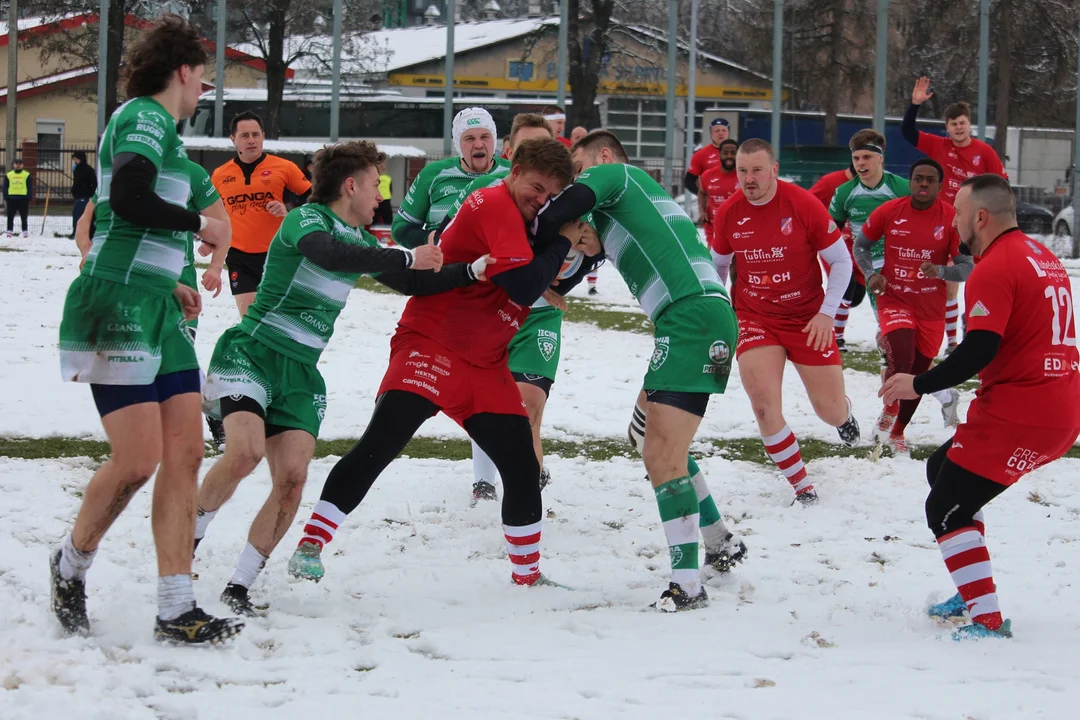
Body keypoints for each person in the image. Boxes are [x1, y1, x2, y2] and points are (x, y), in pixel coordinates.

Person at [196, 141, 487, 615]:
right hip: (253, 353)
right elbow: (328, 255)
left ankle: (240, 586)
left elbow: (414, 282)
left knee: (292, 480)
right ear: (350, 185)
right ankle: (188, 538)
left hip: (301, 374)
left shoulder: (365, 243)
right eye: (376, 185)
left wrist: (471, 272)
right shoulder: (306, 220)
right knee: (245, 453)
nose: (380, 197)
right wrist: (407, 257)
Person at [287, 138, 587, 588]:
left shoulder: (526, 215)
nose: (540, 200)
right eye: (536, 187)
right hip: (433, 342)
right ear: (516, 168)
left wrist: (563, 252)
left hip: (484, 360)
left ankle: (528, 577)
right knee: (382, 442)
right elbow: (526, 286)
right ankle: (310, 543)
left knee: (521, 463)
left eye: (550, 195)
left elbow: (540, 275)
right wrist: (562, 244)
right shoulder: (496, 203)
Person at [53, 14, 241, 645]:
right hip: (116, 307)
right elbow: (130, 199)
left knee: (186, 452)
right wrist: (198, 227)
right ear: (183, 71)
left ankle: (174, 606)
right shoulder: (143, 116)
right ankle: (70, 562)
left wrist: (173, 277)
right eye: (203, 79)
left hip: (158, 306)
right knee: (138, 459)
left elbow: (129, 221)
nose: (203, 92)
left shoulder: (168, 137)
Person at [528, 130, 744, 611]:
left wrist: (527, 224)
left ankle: (687, 586)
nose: (575, 180)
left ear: (603, 157)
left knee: (661, 456)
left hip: (691, 318)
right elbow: (575, 263)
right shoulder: (626, 207)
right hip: (689, 317)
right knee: (645, 435)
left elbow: (561, 211)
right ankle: (720, 542)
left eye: (578, 167)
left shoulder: (616, 176)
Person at [881, 174, 1080, 640]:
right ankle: (973, 591)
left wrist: (919, 383)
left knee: (946, 508)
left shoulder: (993, 266)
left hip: (1023, 412)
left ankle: (987, 622)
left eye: (959, 214)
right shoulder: (1041, 256)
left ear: (981, 218)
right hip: (1054, 405)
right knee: (942, 469)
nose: (954, 222)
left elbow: (978, 350)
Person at [442, 113, 598, 498]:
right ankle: (489, 480)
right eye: (527, 149)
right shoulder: (485, 192)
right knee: (491, 406)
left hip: (537, 319)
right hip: (489, 314)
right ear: (512, 154)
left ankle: (523, 490)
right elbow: (450, 237)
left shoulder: (566, 197)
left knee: (526, 406)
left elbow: (593, 250)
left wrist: (566, 276)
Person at [714, 139, 861, 505]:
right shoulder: (729, 212)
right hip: (755, 317)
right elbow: (717, 266)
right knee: (763, 405)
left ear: (775, 170)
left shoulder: (802, 204)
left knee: (828, 411)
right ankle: (802, 486)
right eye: (742, 171)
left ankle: (843, 413)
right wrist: (716, 308)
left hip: (808, 318)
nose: (748, 179)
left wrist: (828, 314)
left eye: (757, 170)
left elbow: (841, 263)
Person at [854, 158, 971, 457]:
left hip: (930, 309)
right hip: (894, 298)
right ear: (910, 181)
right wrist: (871, 274)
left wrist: (941, 272)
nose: (923, 183)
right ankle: (889, 410)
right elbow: (861, 245)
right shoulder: (890, 211)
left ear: (939, 186)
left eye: (930, 180)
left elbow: (967, 267)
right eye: (918, 178)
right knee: (902, 358)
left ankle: (897, 432)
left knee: (918, 375)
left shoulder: (950, 219)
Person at [902, 77, 1008, 353]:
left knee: (979, 283)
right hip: (948, 226)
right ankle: (951, 343)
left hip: (979, 230)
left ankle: (972, 329)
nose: (958, 128)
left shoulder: (984, 152)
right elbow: (907, 133)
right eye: (952, 124)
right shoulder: (940, 147)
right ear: (947, 128)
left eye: (962, 123)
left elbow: (1001, 187)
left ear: (968, 124)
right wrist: (914, 105)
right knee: (950, 284)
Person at [212, 111, 312, 317]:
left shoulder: (284, 168)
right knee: (250, 319)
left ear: (263, 136)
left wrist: (289, 210)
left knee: (278, 318)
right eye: (244, 135)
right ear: (233, 140)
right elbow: (213, 213)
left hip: (278, 253)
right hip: (240, 256)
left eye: (256, 135)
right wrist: (208, 240)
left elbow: (316, 202)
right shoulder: (220, 175)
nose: (251, 140)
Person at [392, 107, 508, 252]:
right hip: (444, 267)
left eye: (485, 137)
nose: (478, 144)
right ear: (458, 144)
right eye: (469, 138)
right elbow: (400, 227)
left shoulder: (513, 173)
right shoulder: (433, 174)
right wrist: (428, 239)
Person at [809, 164, 863, 345]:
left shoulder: (877, 186)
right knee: (846, 285)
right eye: (858, 158)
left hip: (860, 247)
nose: (863, 163)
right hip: (833, 245)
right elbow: (806, 202)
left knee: (855, 295)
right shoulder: (830, 182)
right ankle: (837, 338)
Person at [699, 138, 740, 260]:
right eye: (725, 153)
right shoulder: (708, 175)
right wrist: (702, 211)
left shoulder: (744, 176)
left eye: (733, 153)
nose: (729, 156)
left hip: (738, 227)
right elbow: (702, 193)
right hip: (714, 226)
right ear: (719, 154)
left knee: (736, 265)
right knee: (713, 259)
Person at [683, 118, 730, 196]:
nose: (721, 133)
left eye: (724, 130)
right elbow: (688, 182)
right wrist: (703, 195)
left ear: (728, 133)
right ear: (711, 134)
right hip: (711, 204)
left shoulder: (739, 153)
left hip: (732, 202)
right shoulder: (701, 154)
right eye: (717, 131)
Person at [70, 151, 97, 238]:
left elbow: (94, 184)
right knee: (76, 214)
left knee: (79, 214)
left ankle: (80, 232)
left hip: (84, 196)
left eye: (76, 159)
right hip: (78, 195)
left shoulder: (88, 170)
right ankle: (76, 231)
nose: (75, 161)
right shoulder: (77, 169)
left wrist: (91, 196)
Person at [5, 157, 31, 238]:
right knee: (10, 216)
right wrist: (6, 197)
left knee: (24, 216)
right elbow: (5, 187)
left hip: (23, 199)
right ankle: (9, 231)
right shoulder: (9, 175)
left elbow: (29, 187)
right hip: (11, 199)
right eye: (16, 164)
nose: (18, 165)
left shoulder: (27, 175)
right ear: (13, 165)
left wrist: (28, 197)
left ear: (23, 165)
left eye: (20, 164)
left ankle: (25, 231)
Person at [373, 160, 393, 225]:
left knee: (375, 219)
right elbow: (391, 190)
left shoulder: (374, 178)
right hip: (387, 200)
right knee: (388, 220)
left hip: (377, 200)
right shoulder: (388, 178)